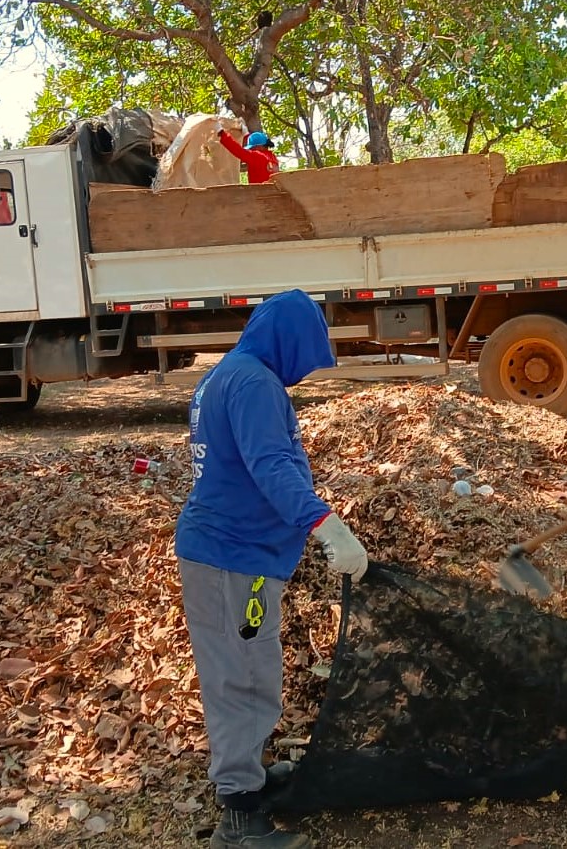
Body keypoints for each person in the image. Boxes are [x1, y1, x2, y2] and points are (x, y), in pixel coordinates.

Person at [175, 289, 368, 849]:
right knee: (242, 676)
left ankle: (250, 779)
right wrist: (327, 526)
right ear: (288, 341)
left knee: (250, 666)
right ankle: (239, 818)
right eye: (305, 356)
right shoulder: (255, 383)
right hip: (232, 559)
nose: (303, 373)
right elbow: (272, 467)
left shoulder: (228, 374)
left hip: (239, 558)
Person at [215, 121, 281, 184]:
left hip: (258, 193)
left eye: (251, 148)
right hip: (271, 192)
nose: (251, 150)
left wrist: (222, 133)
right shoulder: (273, 158)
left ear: (258, 146)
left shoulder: (257, 156)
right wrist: (246, 135)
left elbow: (238, 151)